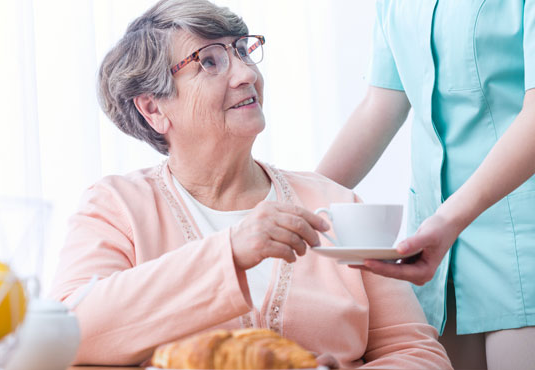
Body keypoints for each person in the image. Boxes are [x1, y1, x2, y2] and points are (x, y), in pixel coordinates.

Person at [50, 0, 451, 368]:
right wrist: (231, 250)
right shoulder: (116, 207)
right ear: (153, 108)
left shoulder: (336, 202)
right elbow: (68, 334)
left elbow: (415, 353)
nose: (245, 74)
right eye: (208, 62)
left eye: (242, 51)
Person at [317, 0, 535, 369]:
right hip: (436, 255)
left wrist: (448, 219)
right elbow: (381, 104)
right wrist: (294, 198)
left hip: (520, 243)